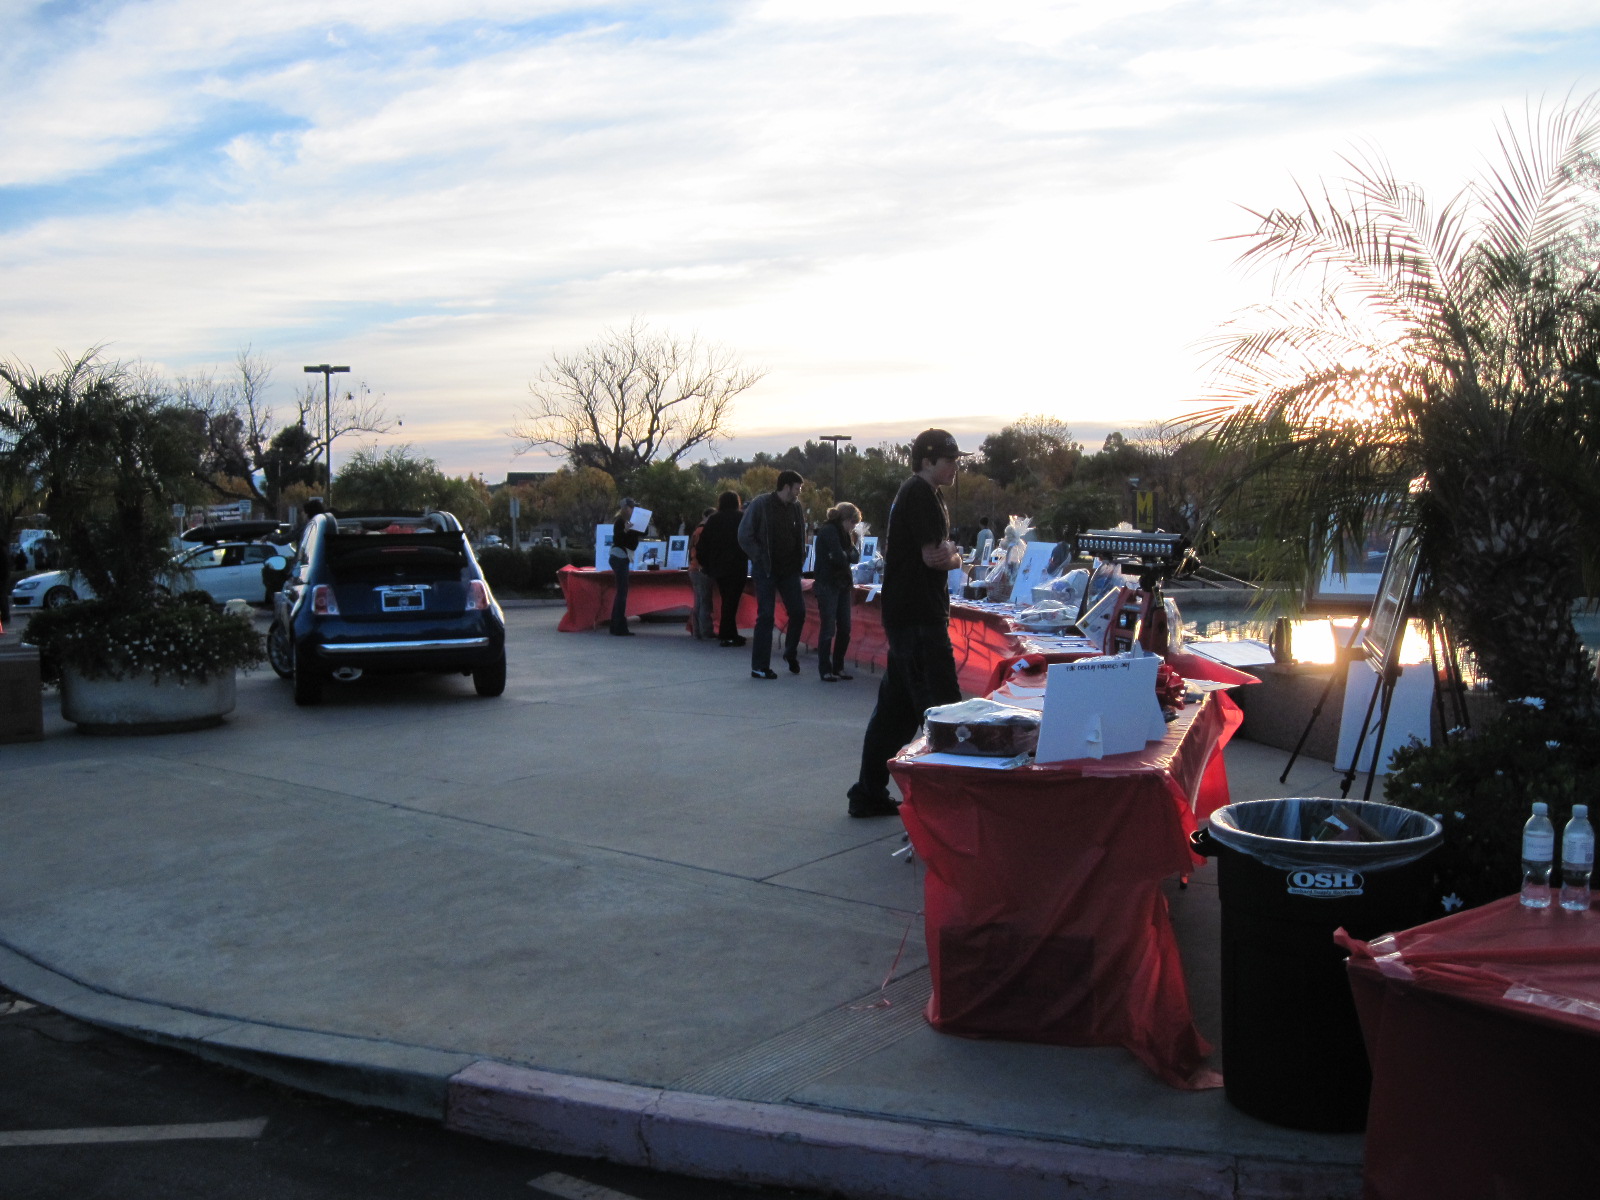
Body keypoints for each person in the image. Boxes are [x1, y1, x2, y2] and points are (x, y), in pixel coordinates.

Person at [847, 429, 969, 818]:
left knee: (895, 714)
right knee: (943, 711)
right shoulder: (921, 495)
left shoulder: (915, 494)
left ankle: (867, 794)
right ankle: (947, 807)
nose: (955, 467)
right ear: (927, 461)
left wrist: (948, 552)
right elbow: (935, 557)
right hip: (919, 620)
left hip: (907, 617)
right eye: (949, 460)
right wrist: (957, 558)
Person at [737, 470, 807, 680]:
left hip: (790, 571)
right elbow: (744, 535)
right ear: (786, 487)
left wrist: (799, 560)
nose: (798, 493)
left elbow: (800, 535)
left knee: (798, 612)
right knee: (766, 616)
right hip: (766, 570)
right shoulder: (761, 505)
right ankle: (760, 666)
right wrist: (759, 557)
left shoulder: (795, 507)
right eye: (797, 489)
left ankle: (790, 652)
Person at [812, 501, 861, 682]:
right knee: (828, 628)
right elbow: (840, 557)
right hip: (828, 583)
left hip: (841, 584)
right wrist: (844, 555)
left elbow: (851, 557)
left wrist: (844, 555)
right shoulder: (829, 531)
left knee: (845, 628)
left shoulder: (843, 534)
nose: (853, 528)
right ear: (846, 519)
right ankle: (825, 668)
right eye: (853, 523)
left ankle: (838, 666)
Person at [695, 491, 747, 647]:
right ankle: (728, 634)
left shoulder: (714, 520)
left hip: (719, 567)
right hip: (737, 566)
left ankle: (729, 633)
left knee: (726, 599)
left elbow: (703, 545)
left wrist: (707, 565)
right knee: (732, 601)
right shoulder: (741, 519)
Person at [607, 497, 642, 636]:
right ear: (626, 509)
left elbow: (641, 533)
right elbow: (617, 539)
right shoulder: (620, 522)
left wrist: (642, 522)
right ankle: (619, 626)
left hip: (622, 556)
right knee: (622, 593)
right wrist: (626, 530)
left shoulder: (632, 522)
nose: (633, 510)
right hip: (619, 556)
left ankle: (616, 625)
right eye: (632, 508)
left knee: (622, 593)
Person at [686, 506, 717, 640]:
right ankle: (706, 631)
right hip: (701, 569)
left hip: (693, 568)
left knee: (698, 601)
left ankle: (697, 630)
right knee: (705, 601)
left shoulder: (696, 531)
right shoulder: (705, 530)